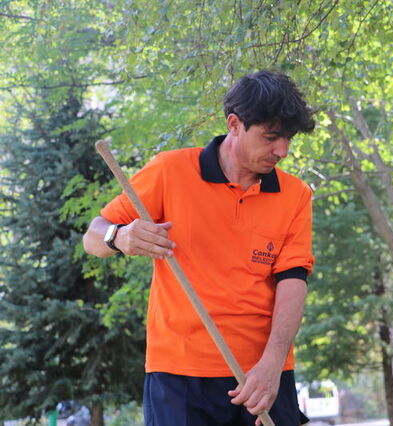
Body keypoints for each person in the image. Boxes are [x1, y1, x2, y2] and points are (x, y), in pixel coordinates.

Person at [83, 70, 315, 426]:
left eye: (287, 139)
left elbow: (293, 282)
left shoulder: (295, 195)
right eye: (271, 137)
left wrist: (273, 363)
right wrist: (120, 236)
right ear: (234, 124)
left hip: (264, 375)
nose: (281, 151)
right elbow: (93, 237)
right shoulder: (170, 170)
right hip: (179, 375)